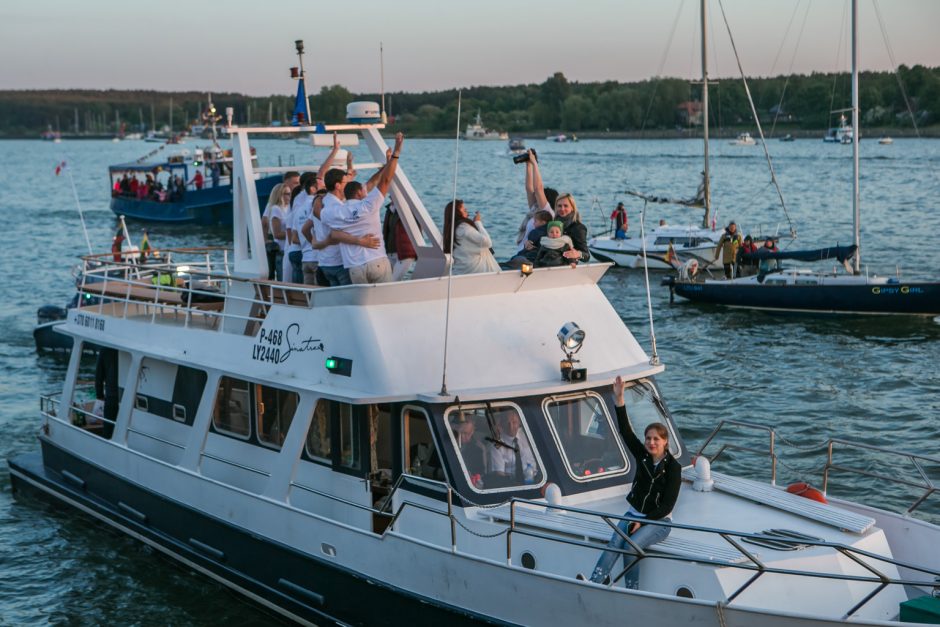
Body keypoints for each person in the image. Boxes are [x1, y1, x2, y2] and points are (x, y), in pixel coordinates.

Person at [579, 375, 681, 588]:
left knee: (630, 545)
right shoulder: (642, 456)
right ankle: (595, 581)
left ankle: (631, 588)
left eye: (656, 439)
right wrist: (619, 400)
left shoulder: (673, 468)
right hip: (633, 514)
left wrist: (643, 522)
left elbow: (666, 507)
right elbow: (625, 432)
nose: (651, 442)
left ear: (665, 442)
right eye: (648, 438)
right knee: (615, 541)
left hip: (659, 522)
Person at [321, 133, 405, 284]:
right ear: (360, 192)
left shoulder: (330, 211)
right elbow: (385, 180)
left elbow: (334, 234)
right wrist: (396, 153)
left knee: (362, 304)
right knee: (385, 301)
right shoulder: (368, 205)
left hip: (355, 267)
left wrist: (358, 241)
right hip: (376, 260)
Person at [443, 200, 501, 275]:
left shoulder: (452, 230)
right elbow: (487, 242)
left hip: (461, 270)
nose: (467, 211)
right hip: (473, 271)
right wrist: (478, 222)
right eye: (464, 210)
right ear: (457, 213)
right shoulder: (464, 228)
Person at [488, 412, 537, 484]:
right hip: (511, 483)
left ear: (519, 423)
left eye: (514, 422)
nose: (511, 427)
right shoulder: (497, 444)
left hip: (535, 479)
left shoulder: (528, 435)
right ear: (502, 424)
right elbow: (499, 473)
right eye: (507, 423)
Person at [261, 184, 290, 280]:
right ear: (280, 195)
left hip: (287, 249)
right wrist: (293, 234)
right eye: (287, 194)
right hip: (281, 250)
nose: (290, 196)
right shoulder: (276, 209)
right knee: (283, 280)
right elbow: (277, 234)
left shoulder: (288, 208)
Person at [554, 193, 591, 264]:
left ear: (572, 207)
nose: (562, 209)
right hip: (549, 264)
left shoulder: (578, 228)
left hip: (567, 267)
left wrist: (578, 254)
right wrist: (531, 243)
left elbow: (587, 256)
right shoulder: (552, 224)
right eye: (559, 206)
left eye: (566, 206)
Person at [453, 417, 486, 487]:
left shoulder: (477, 450)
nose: (461, 436)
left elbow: (480, 474)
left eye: (465, 433)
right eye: (458, 433)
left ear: (472, 433)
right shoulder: (444, 444)